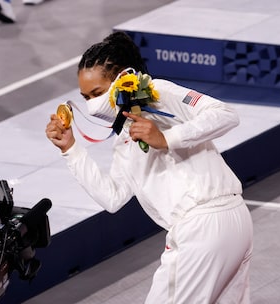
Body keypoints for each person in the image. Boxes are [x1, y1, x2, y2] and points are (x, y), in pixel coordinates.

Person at [45, 31, 254, 303]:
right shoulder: (125, 139)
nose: (93, 104)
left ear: (122, 77)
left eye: (97, 92)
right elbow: (112, 197)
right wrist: (70, 149)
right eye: (85, 97)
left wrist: (167, 138)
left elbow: (225, 115)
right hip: (215, 229)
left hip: (205, 226)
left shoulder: (159, 94)